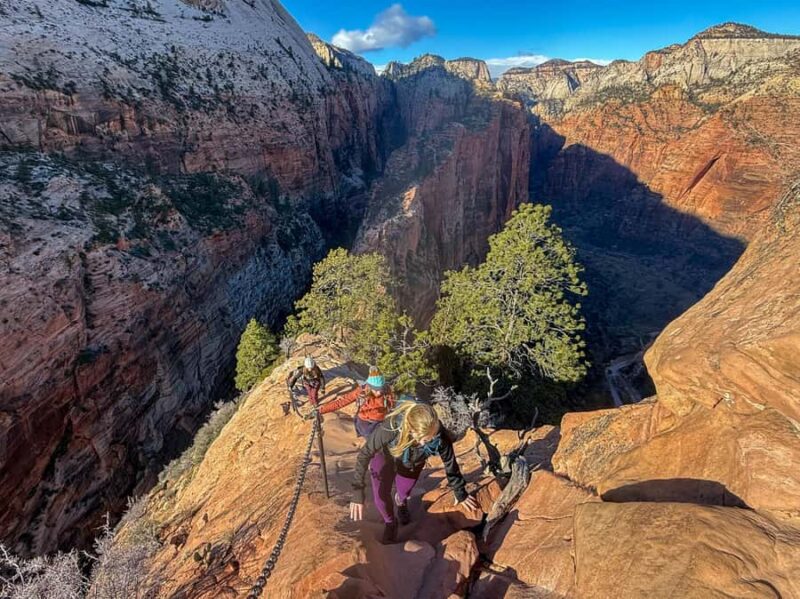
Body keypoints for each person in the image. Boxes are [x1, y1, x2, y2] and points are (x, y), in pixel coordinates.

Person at [349, 401, 479, 544]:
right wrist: (357, 492)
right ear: (411, 429)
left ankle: (401, 502)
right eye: (424, 439)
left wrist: (460, 492)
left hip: (412, 462)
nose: (425, 444)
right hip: (384, 454)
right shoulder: (392, 427)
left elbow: (450, 463)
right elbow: (365, 453)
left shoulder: (438, 434)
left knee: (404, 491)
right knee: (380, 495)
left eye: (430, 439)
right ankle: (390, 523)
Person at [317, 366, 395, 438]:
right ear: (370, 387)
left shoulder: (387, 391)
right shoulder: (361, 391)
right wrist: (321, 410)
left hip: (379, 421)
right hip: (364, 420)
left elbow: (392, 406)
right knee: (370, 438)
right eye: (376, 389)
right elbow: (342, 401)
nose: (379, 393)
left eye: (381, 389)